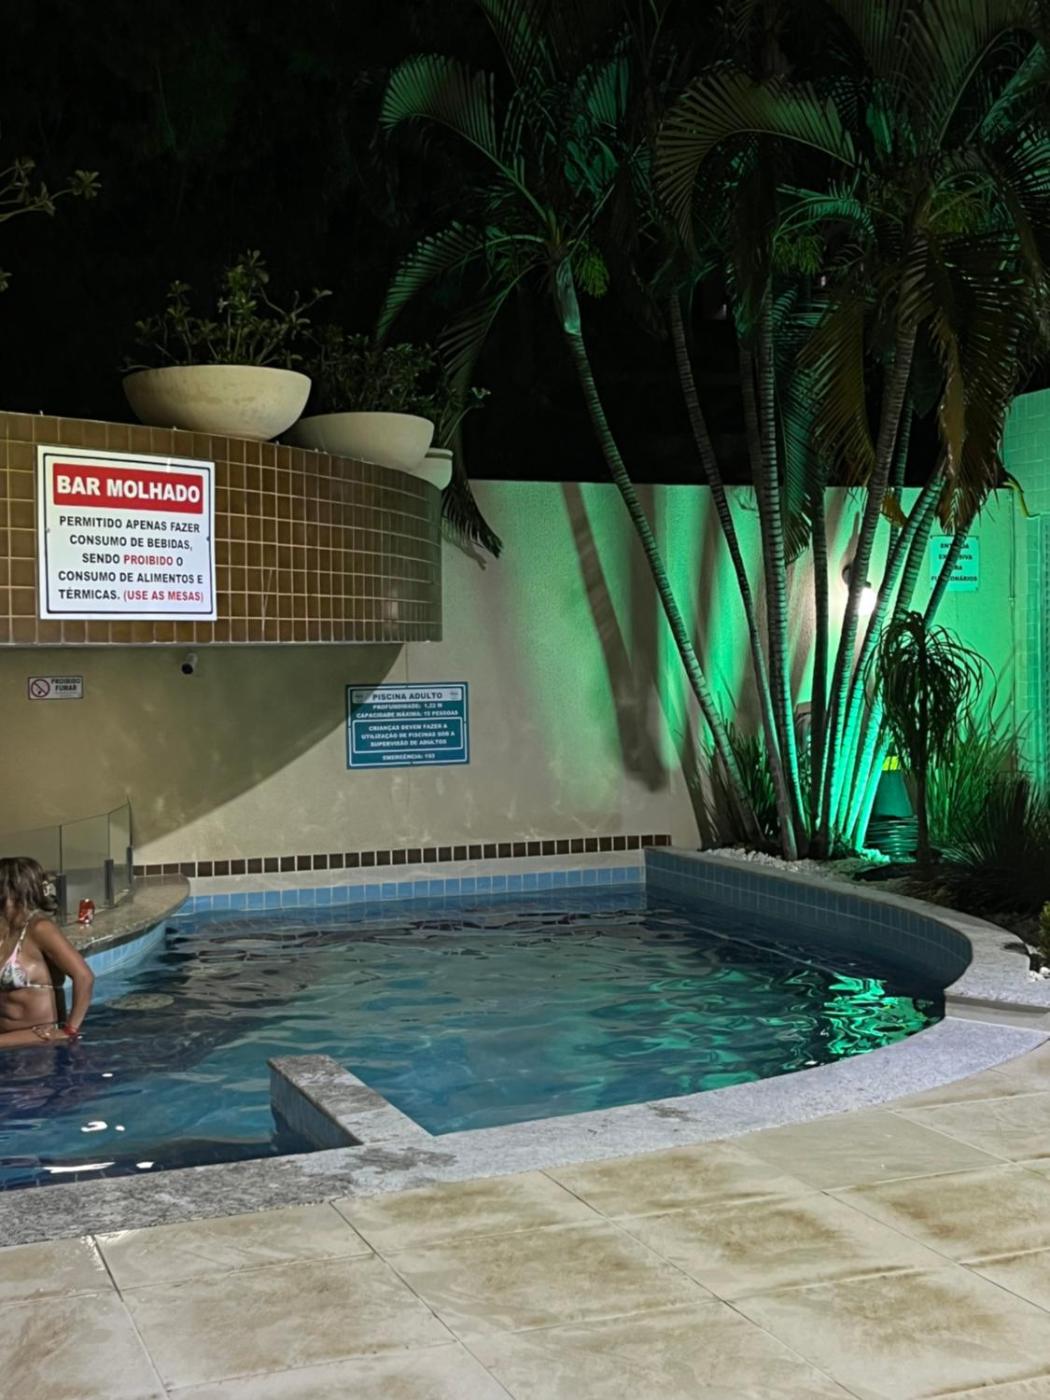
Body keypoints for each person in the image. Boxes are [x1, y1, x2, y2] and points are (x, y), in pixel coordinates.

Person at [0, 857, 94, 1049]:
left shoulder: (40, 929)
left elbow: (84, 976)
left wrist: (69, 1030)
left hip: (39, 1042)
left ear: (10, 888)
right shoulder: (4, 930)